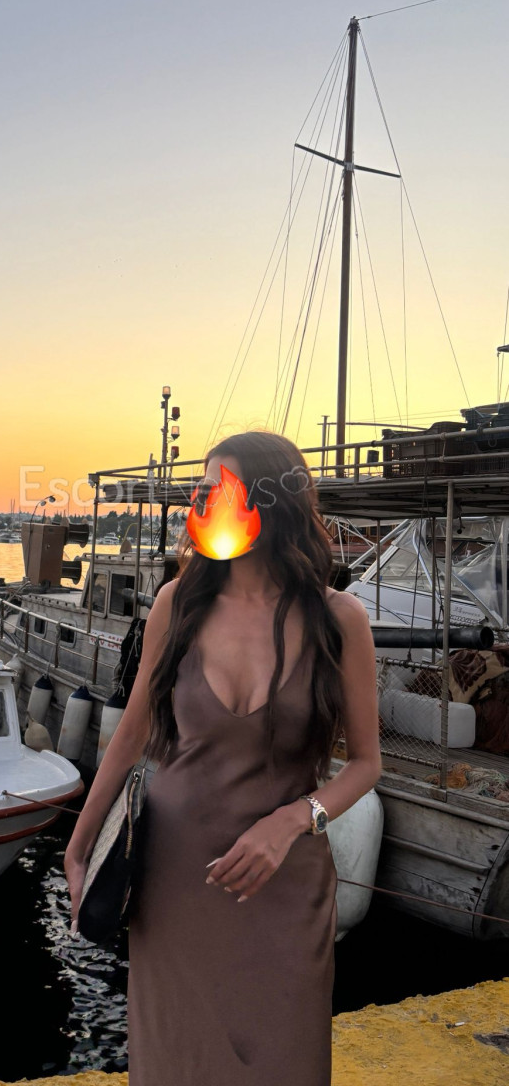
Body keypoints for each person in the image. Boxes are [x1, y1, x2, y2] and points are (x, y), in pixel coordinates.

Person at [65, 431, 382, 1085]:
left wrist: (291, 821)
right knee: (174, 1061)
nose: (201, 502)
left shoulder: (339, 619)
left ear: (269, 501)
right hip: (172, 878)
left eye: (217, 489)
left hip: (283, 883)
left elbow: (365, 764)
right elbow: (132, 733)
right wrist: (80, 843)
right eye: (199, 491)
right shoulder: (178, 603)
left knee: (282, 1061)